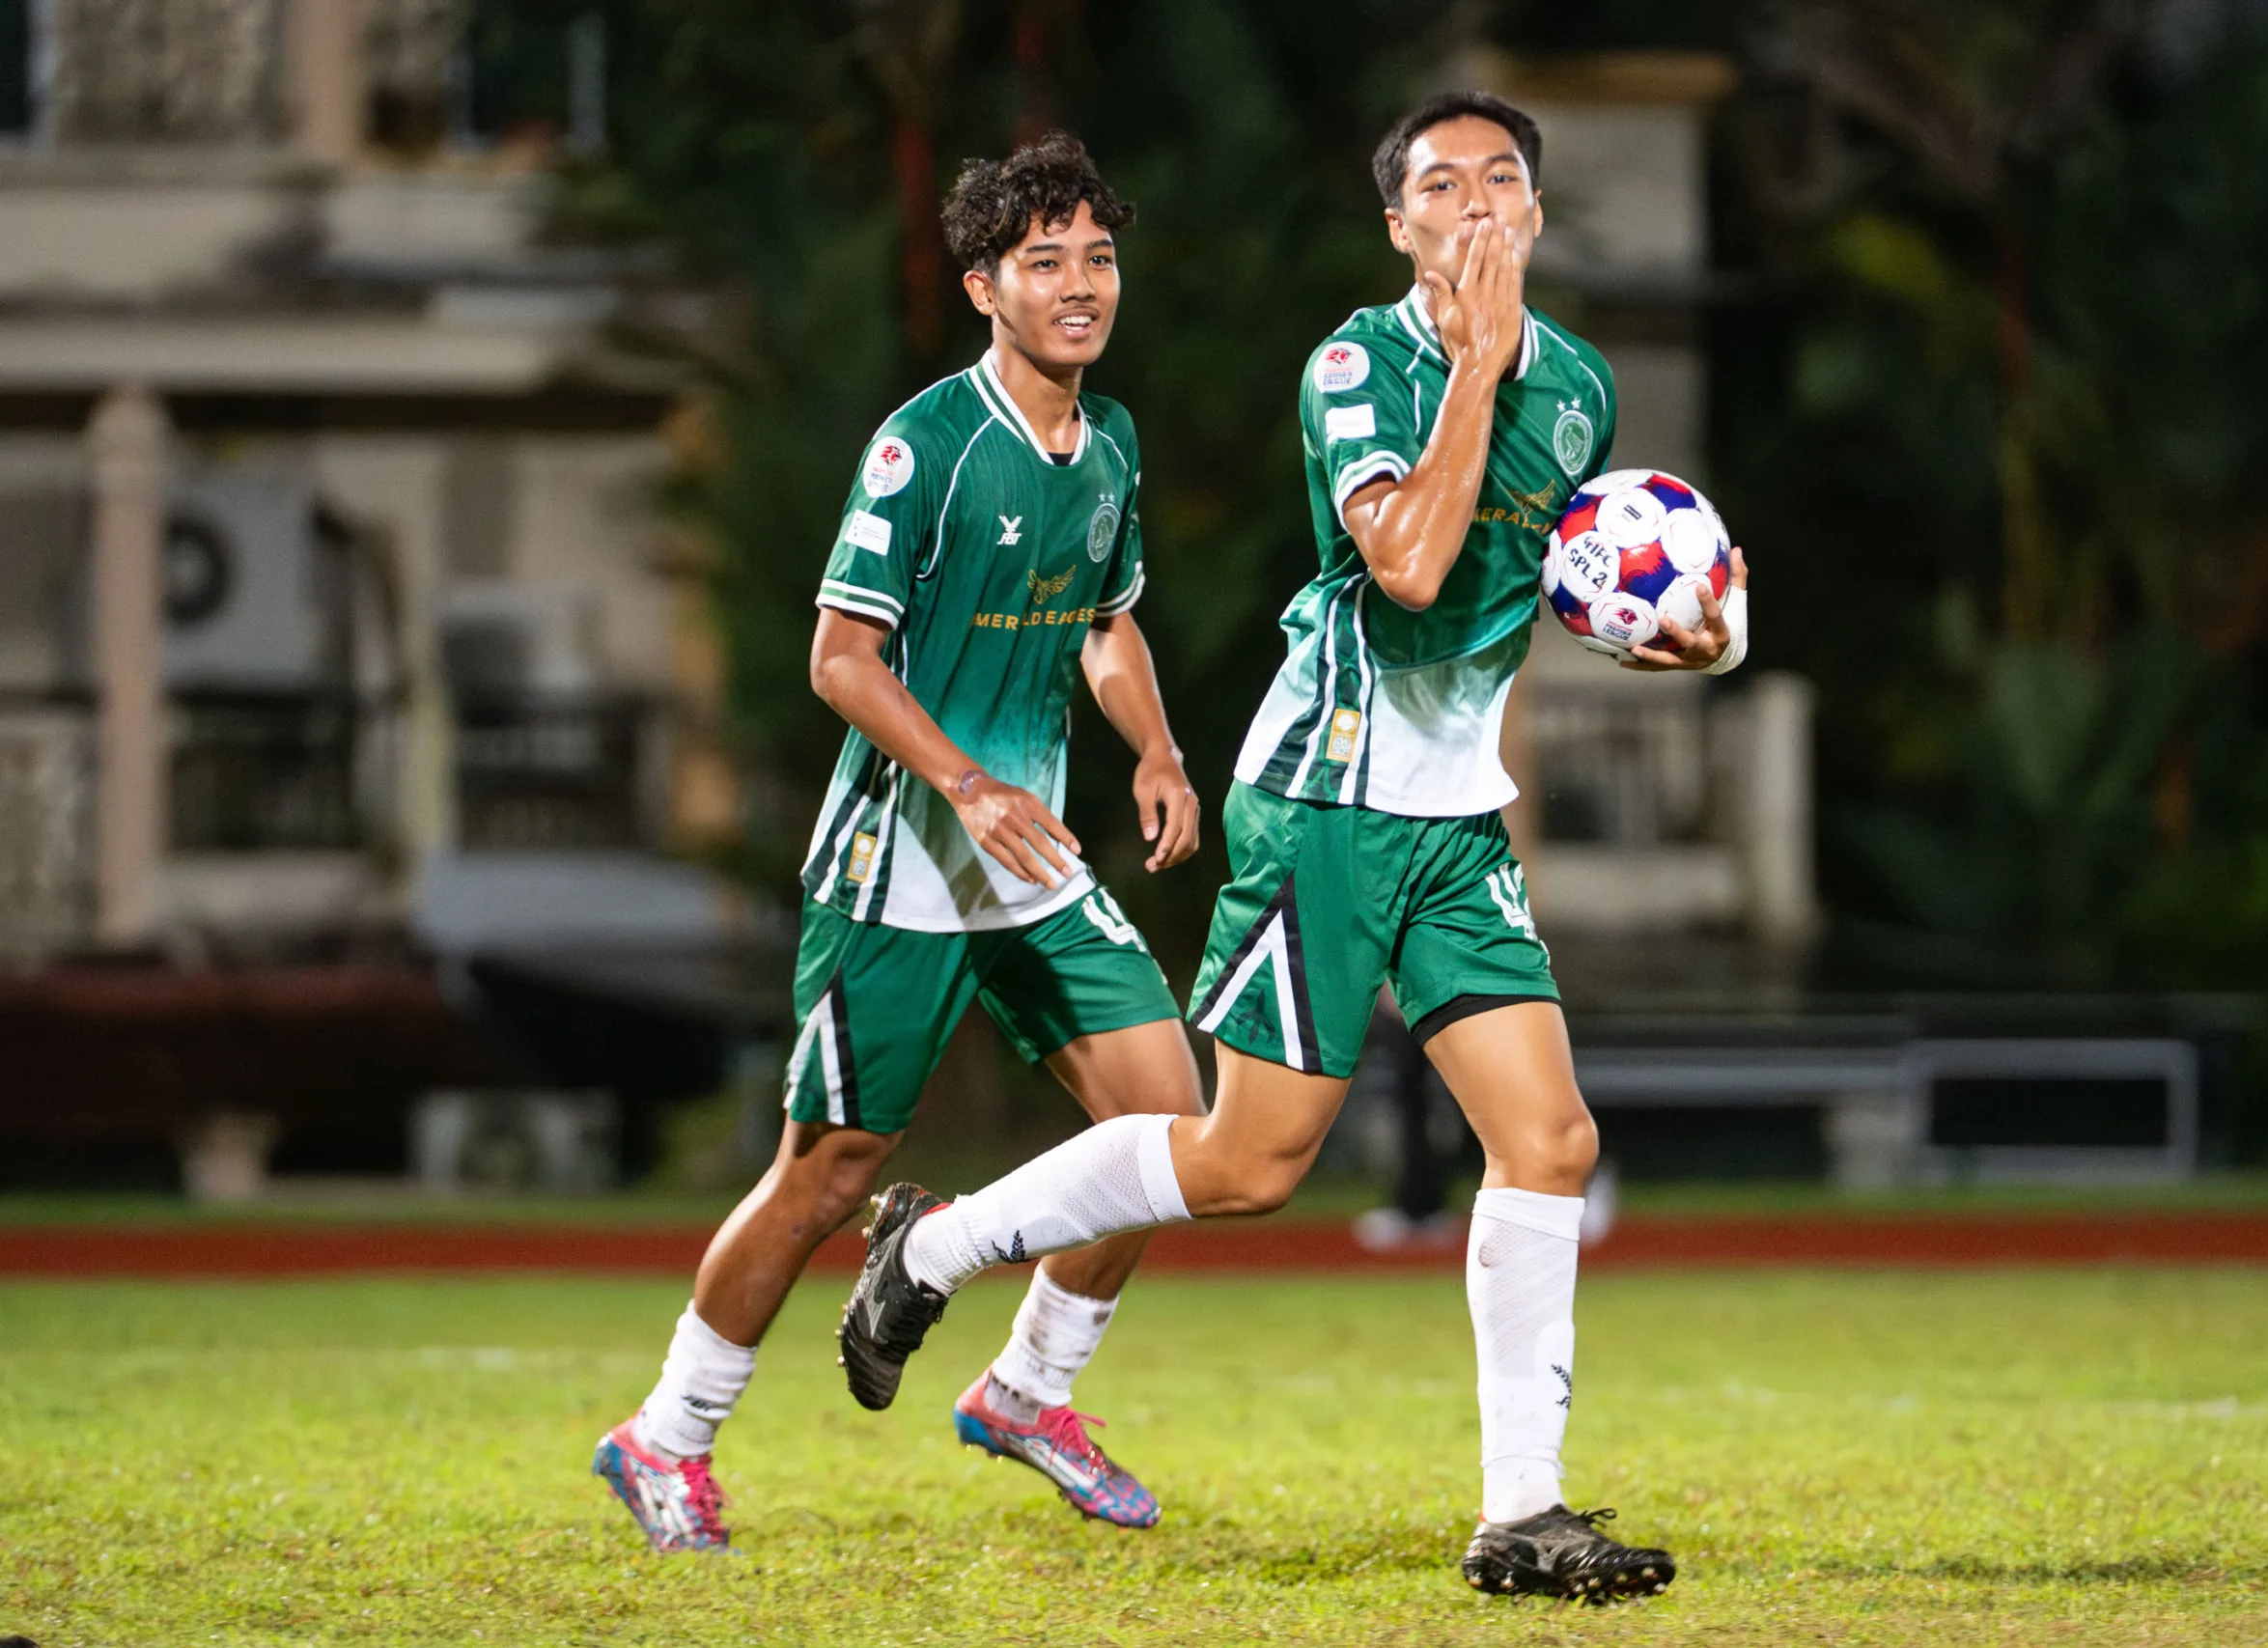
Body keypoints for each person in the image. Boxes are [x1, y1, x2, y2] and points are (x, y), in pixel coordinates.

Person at [837, 91, 1749, 1600]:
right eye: (1441, 186)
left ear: (1534, 211)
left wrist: (1691, 636)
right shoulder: (1357, 366)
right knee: (1250, 1162)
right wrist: (1473, 367)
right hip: (1326, 795)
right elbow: (1412, 568)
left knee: (1550, 1142)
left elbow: (1555, 580)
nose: (1475, 204)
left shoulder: (1582, 385)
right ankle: (934, 1247)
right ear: (1399, 225)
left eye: (1502, 180)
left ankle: (1522, 1514)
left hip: (1453, 820)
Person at [594, 131, 1206, 1552]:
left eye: (1098, 258)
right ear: (985, 286)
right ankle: (664, 1435)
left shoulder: (1110, 441)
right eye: (1044, 262)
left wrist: (1158, 748)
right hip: (903, 865)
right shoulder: (923, 445)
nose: (1080, 285)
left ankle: (1028, 1392)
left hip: (1032, 866)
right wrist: (967, 783)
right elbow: (839, 659)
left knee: (1168, 1132)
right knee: (826, 1172)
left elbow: (1107, 623)